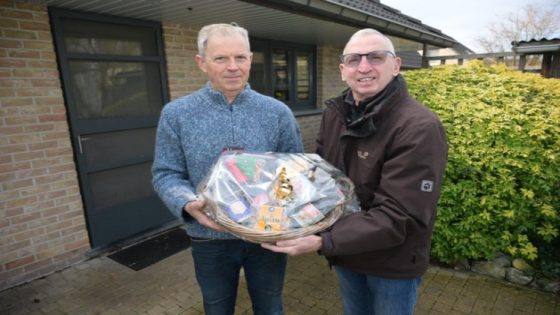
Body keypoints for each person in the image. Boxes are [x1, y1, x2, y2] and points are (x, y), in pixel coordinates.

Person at [262, 28, 448, 315]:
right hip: (348, 253)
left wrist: (323, 240)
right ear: (342, 70)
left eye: (375, 57)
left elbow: (400, 214)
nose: (364, 67)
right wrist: (279, 205)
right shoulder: (336, 114)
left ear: (396, 66)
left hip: (391, 263)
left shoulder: (419, 127)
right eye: (354, 59)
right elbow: (321, 176)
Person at [152, 23, 304, 315]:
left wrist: (292, 216)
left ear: (250, 59)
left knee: (270, 306)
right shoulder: (176, 114)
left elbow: (294, 170)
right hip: (209, 238)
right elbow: (165, 173)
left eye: (240, 57)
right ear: (202, 63)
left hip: (266, 236)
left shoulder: (277, 113)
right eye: (221, 58)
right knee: (217, 307)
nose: (232, 67)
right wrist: (186, 202)